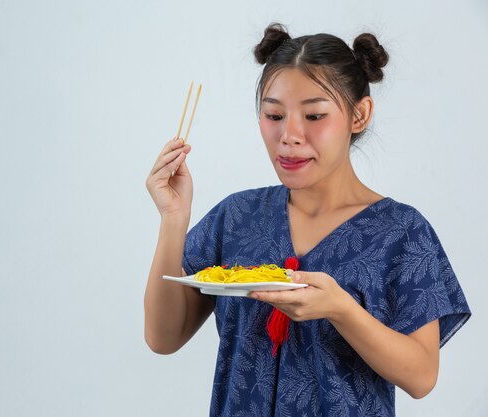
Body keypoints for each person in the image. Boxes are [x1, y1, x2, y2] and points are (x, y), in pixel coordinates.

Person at [144, 22, 471, 417]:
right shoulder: (237, 216)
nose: (290, 135)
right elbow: (163, 338)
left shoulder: (401, 231)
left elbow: (422, 377)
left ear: (359, 114)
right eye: (273, 115)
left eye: (314, 116)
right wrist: (173, 218)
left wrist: (342, 309)